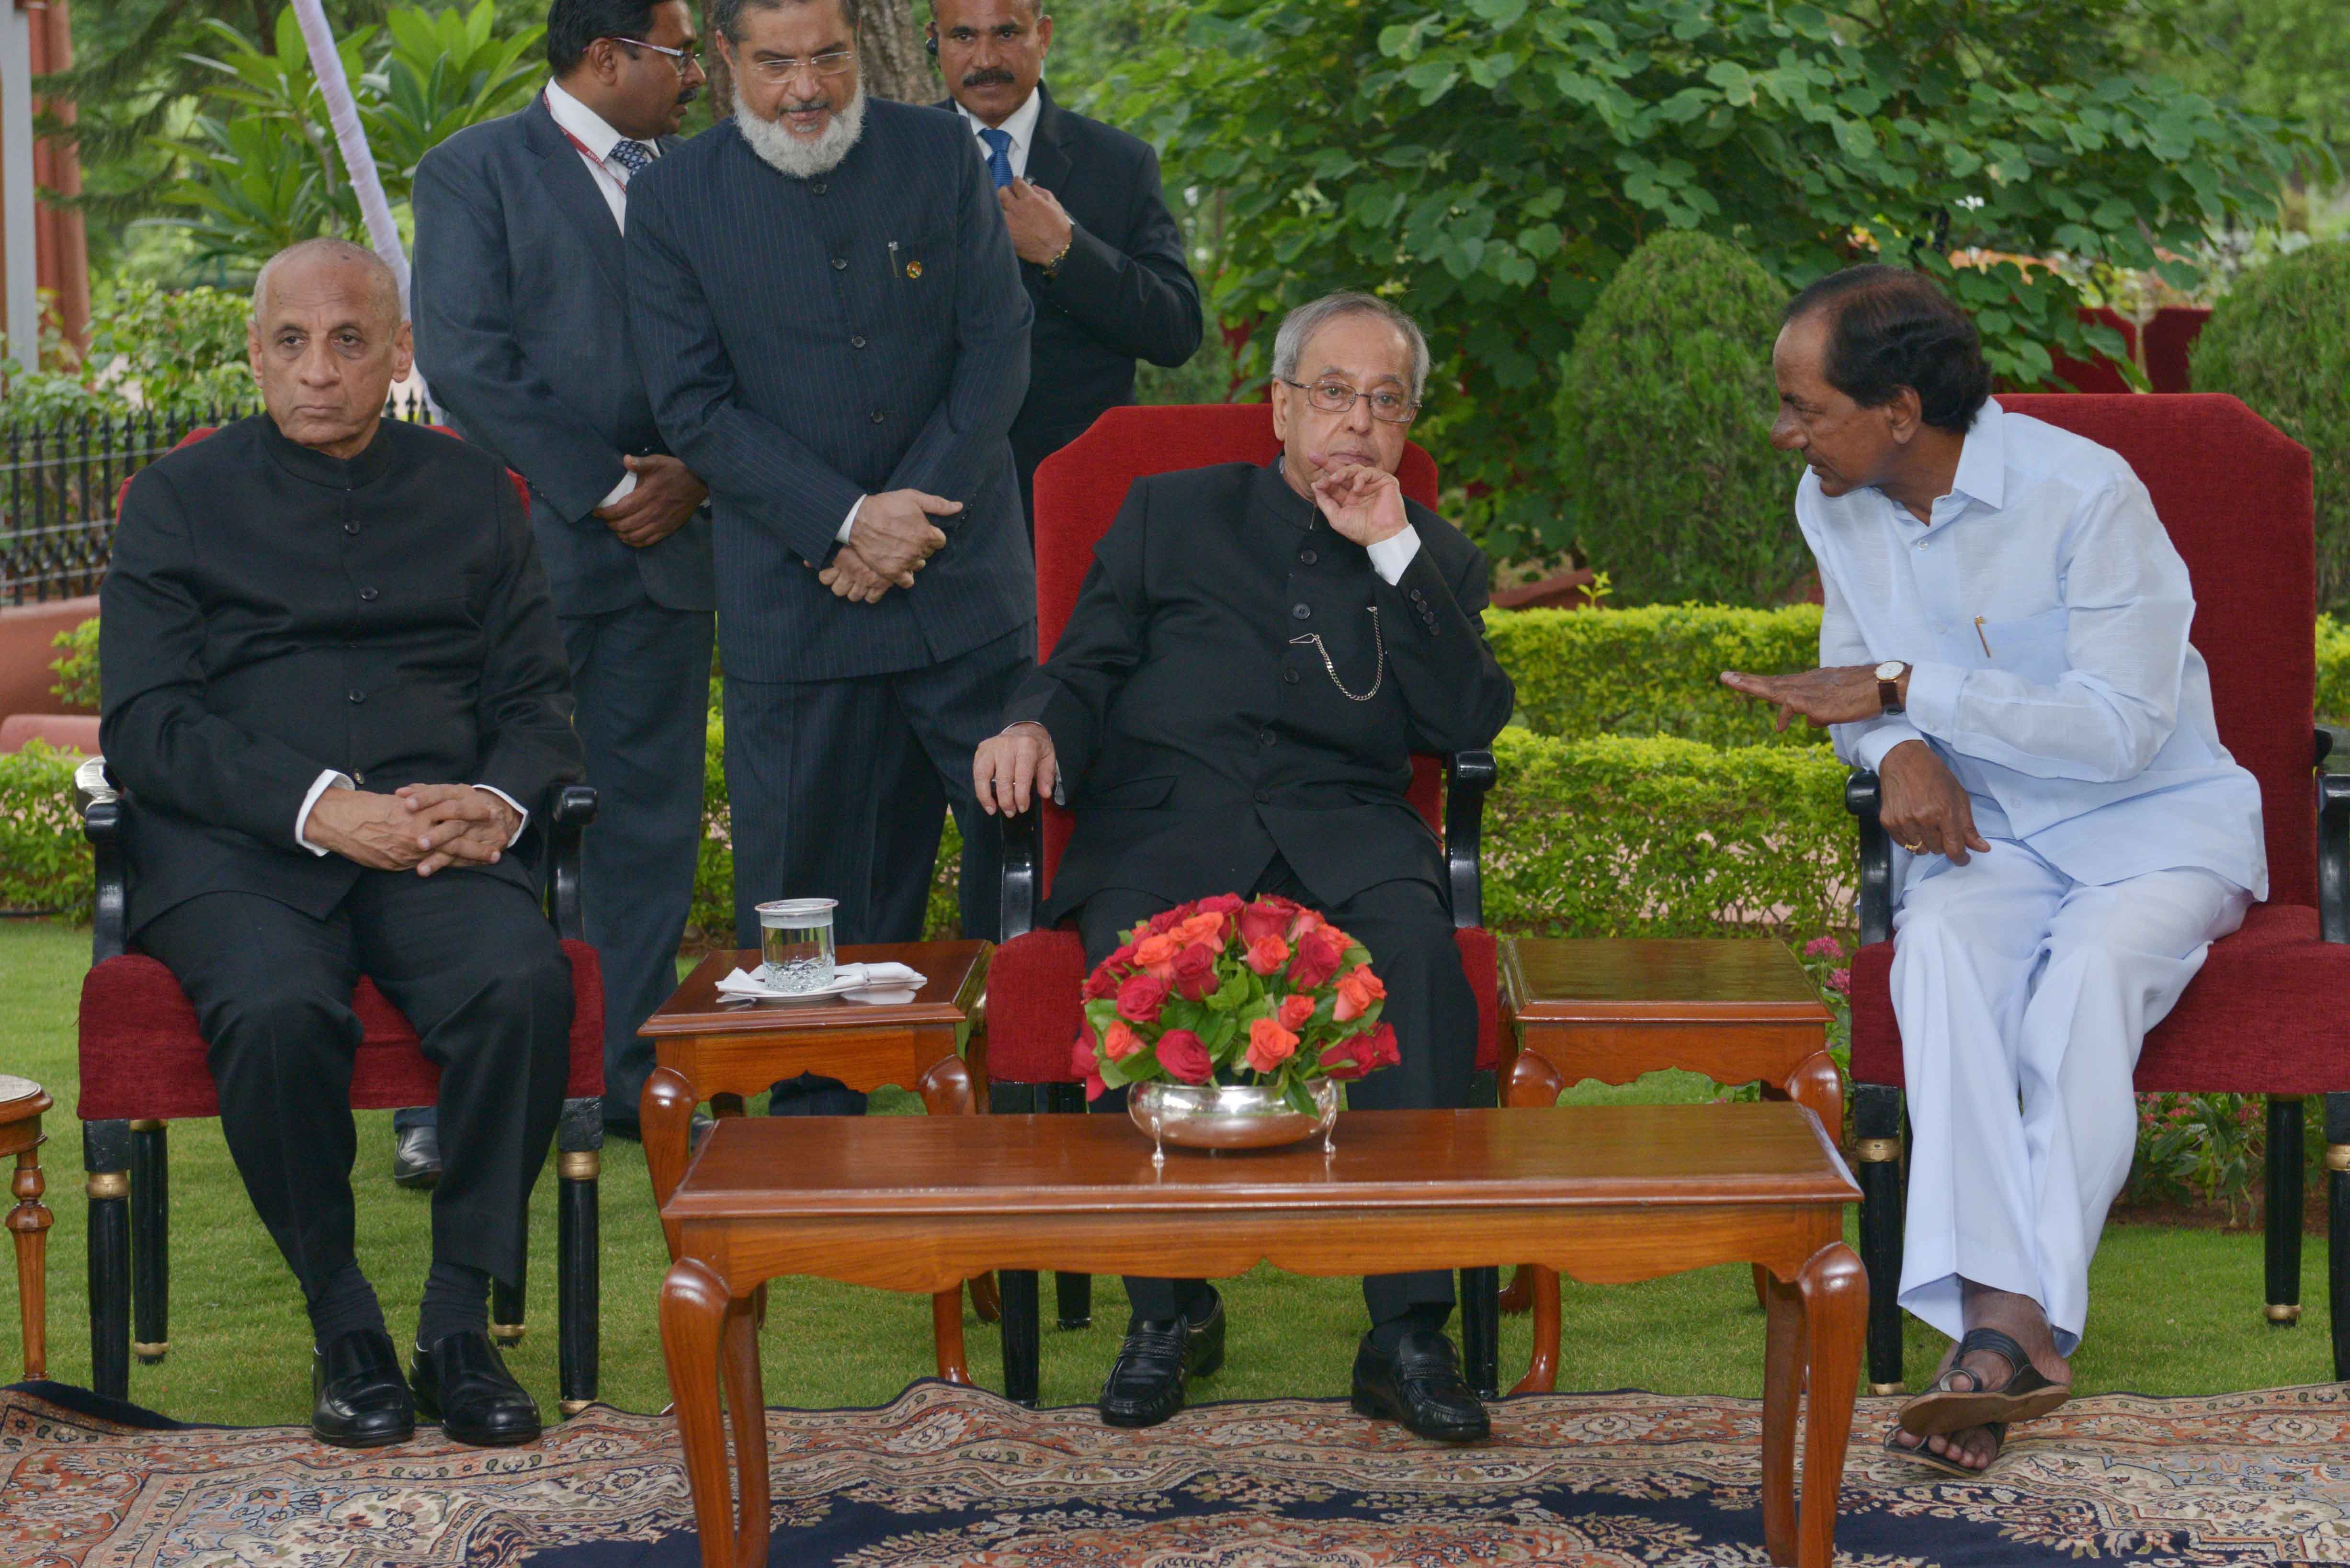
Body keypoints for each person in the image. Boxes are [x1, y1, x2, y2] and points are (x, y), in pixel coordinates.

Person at [1721, 265, 2266, 1476]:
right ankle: (2000, 1336)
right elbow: (1854, 679)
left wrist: (1913, 696)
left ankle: (2004, 1331)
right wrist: (1901, 746)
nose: (1787, 430)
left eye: (1806, 406)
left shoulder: (2087, 495)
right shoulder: (1840, 500)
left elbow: (2124, 726)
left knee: (2083, 985)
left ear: (1901, 409)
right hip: (1991, 831)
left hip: (2156, 825)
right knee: (1945, 959)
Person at [971, 292, 1515, 1441]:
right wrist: (1033, 723)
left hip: (1345, 832)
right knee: (1133, 950)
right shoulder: (1170, 513)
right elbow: (1086, 661)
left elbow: (1472, 714)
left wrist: (1395, 552)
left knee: (1418, 950)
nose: (1356, 422)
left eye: (1384, 400)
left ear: (1409, 421)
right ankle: (1165, 1309)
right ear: (1280, 406)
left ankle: (1407, 1330)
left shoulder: (1435, 554)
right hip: (1171, 824)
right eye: (1332, 392)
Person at [101, 239, 583, 1449]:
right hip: (241, 851)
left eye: (351, 341)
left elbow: (539, 702)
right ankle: (346, 1319)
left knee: (522, 979)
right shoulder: (179, 498)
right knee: (273, 1009)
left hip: (429, 841)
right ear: (256, 355)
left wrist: (501, 799)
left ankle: (454, 1320)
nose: (319, 371)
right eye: (291, 343)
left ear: (401, 354)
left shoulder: (474, 491)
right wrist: (318, 803)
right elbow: (147, 724)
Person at [628, 0, 1035, 1115]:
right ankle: (812, 1162)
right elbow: (695, 407)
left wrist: (905, 519)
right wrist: (850, 519)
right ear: (720, 62)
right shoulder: (671, 198)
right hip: (800, 617)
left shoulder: (940, 151)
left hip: (966, 601)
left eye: (828, 58)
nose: (805, 87)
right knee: (808, 927)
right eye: (775, 64)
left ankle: (1039, 1129)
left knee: (1036, 885)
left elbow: (996, 349)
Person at [410, 0, 715, 1160]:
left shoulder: (705, 175)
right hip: (526, 560)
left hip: (678, 554)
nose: (693, 77)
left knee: (647, 821)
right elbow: (466, 357)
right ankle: (464, 1084)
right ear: (608, 57)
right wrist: (605, 486)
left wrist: (695, 473)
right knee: (494, 816)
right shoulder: (472, 171)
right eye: (679, 55)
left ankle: (626, 1066)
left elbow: (748, 342)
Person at [928, 0, 1202, 524]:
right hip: (929, 503)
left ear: (1044, 35)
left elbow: (1176, 330)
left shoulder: (1120, 163)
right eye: (963, 36)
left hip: (1078, 498)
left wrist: (1065, 250)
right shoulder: (894, 162)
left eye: (1006, 33)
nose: (984, 58)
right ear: (934, 40)